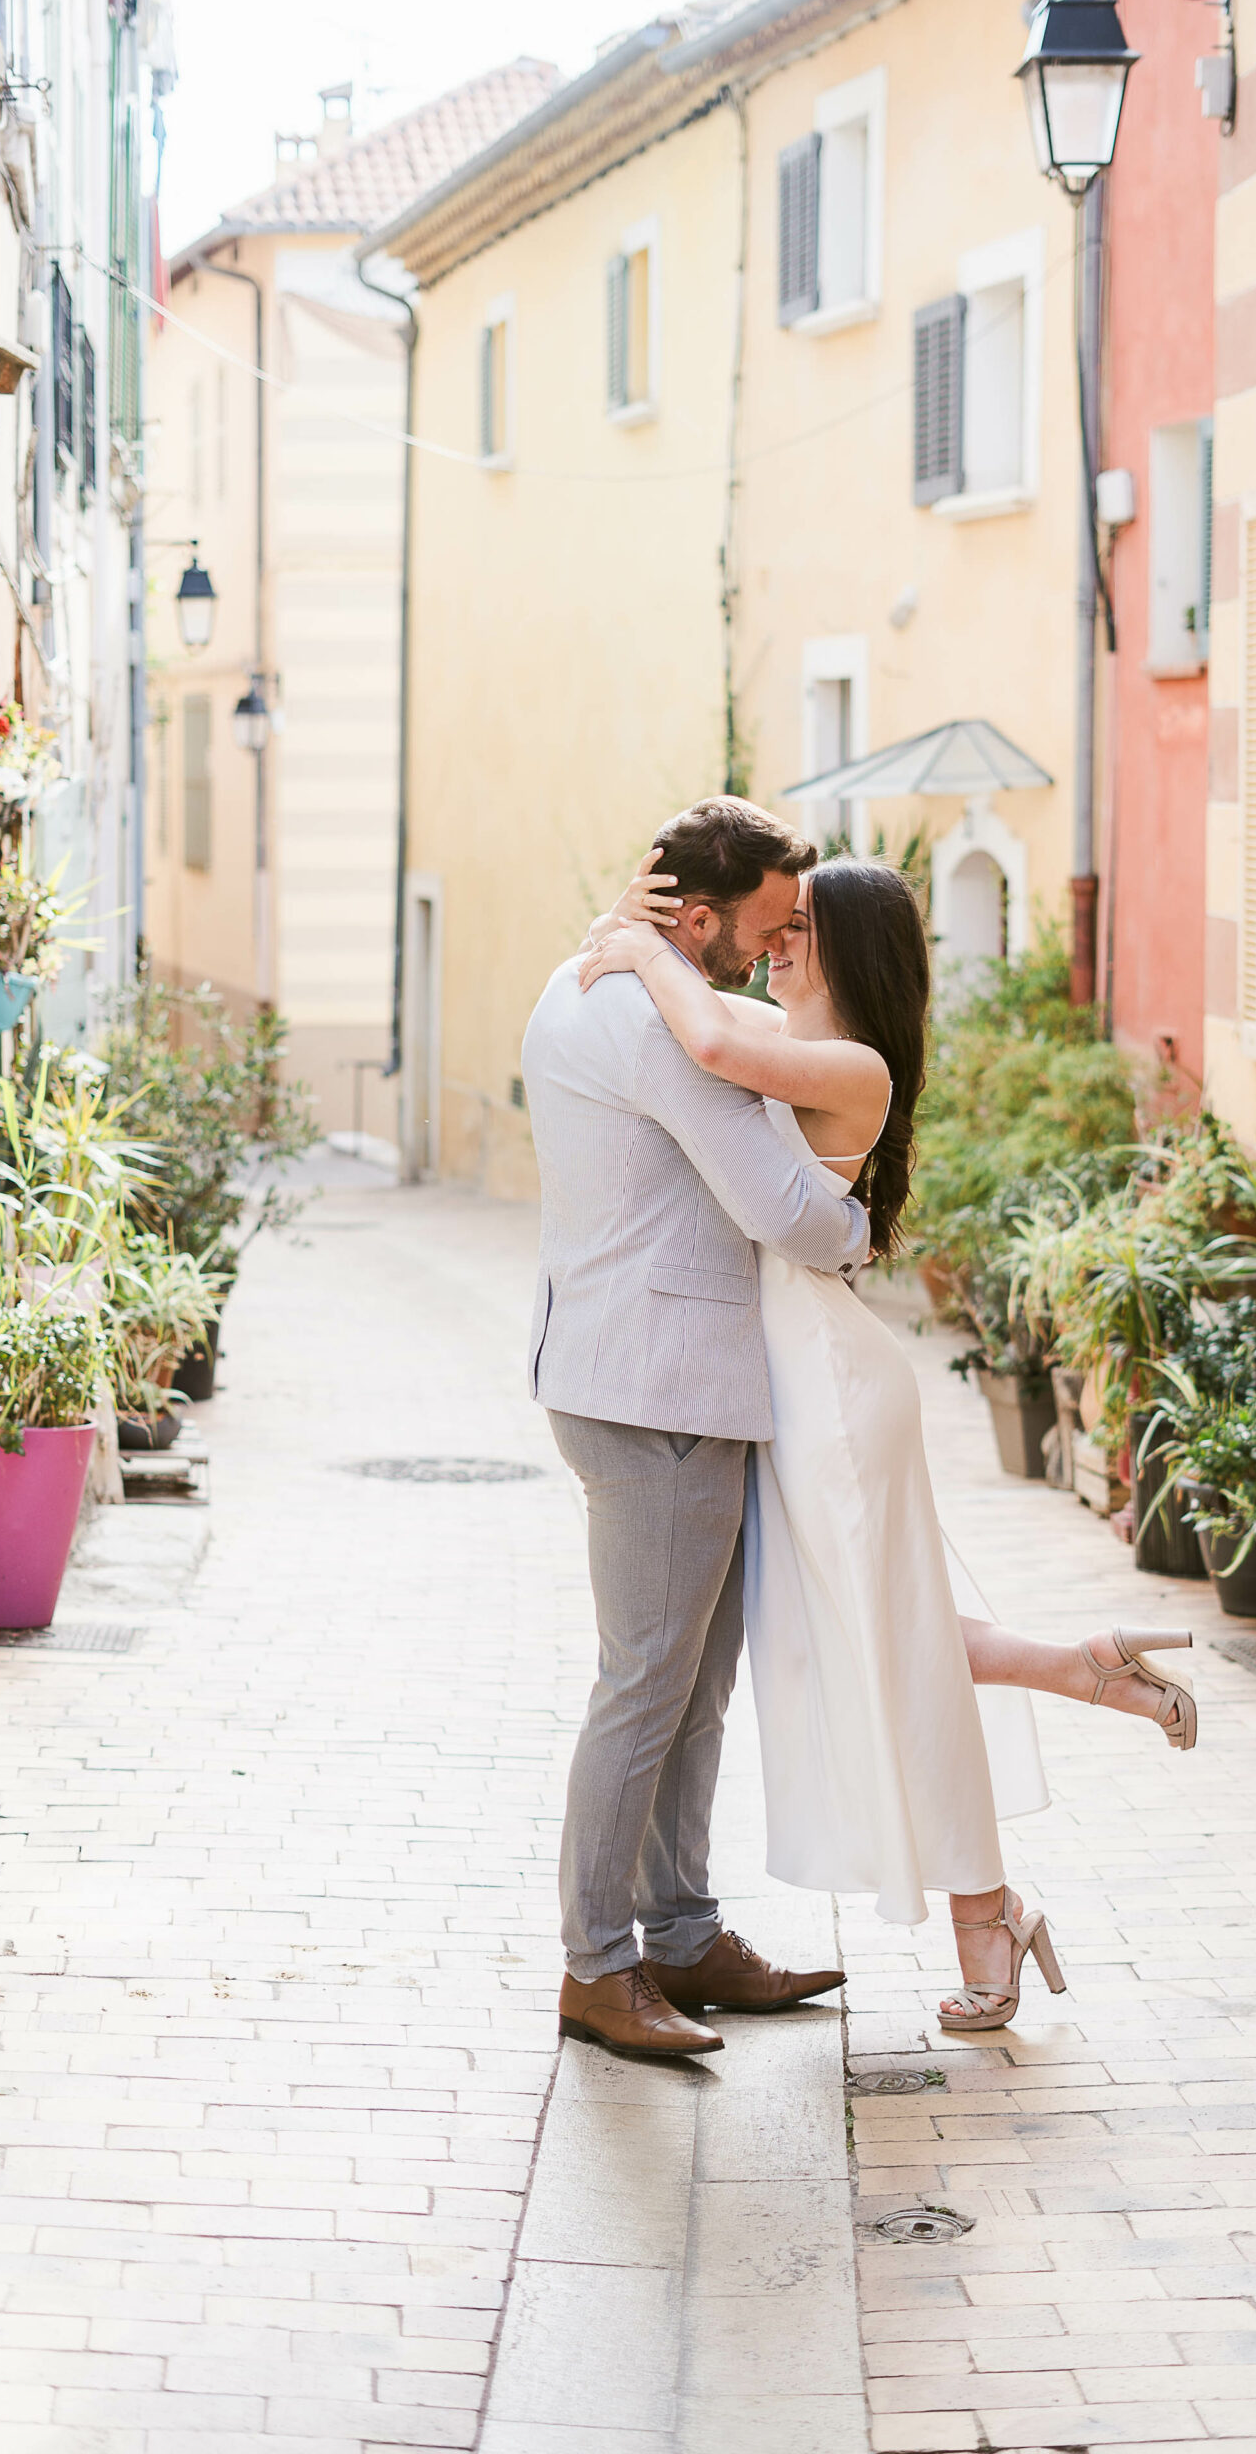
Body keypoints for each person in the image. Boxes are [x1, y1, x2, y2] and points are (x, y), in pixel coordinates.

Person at [579, 842, 1196, 2031]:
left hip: (824, 1385)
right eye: (776, 920)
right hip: (785, 1378)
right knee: (868, 1630)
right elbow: (702, 1014)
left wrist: (636, 953)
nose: (777, 934)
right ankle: (1081, 1677)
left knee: (875, 1639)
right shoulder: (778, 1023)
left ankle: (990, 1907)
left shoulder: (847, 1063)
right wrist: (632, 928)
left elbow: (702, 1041)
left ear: (849, 944)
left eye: (800, 920)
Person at [520, 798, 870, 2062]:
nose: (776, 950)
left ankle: (679, 1931)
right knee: (647, 1689)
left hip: (639, 1376)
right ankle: (599, 1967)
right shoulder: (668, 1030)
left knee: (689, 1689)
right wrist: (866, 1229)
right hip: (655, 1389)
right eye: (768, 927)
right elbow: (786, 1206)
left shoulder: (586, 976)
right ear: (701, 915)